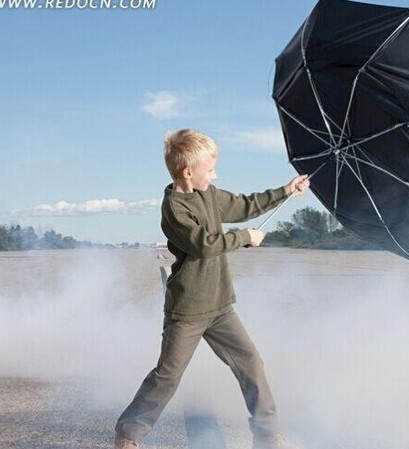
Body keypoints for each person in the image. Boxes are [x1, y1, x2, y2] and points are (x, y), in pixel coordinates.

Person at [114, 129, 310, 449]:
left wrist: (285, 191)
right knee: (167, 376)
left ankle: (266, 434)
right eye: (211, 169)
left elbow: (245, 205)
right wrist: (245, 237)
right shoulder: (174, 209)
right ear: (187, 172)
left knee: (251, 363)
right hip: (189, 309)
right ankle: (128, 434)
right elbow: (206, 246)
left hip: (220, 307)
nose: (216, 174)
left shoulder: (210, 194)